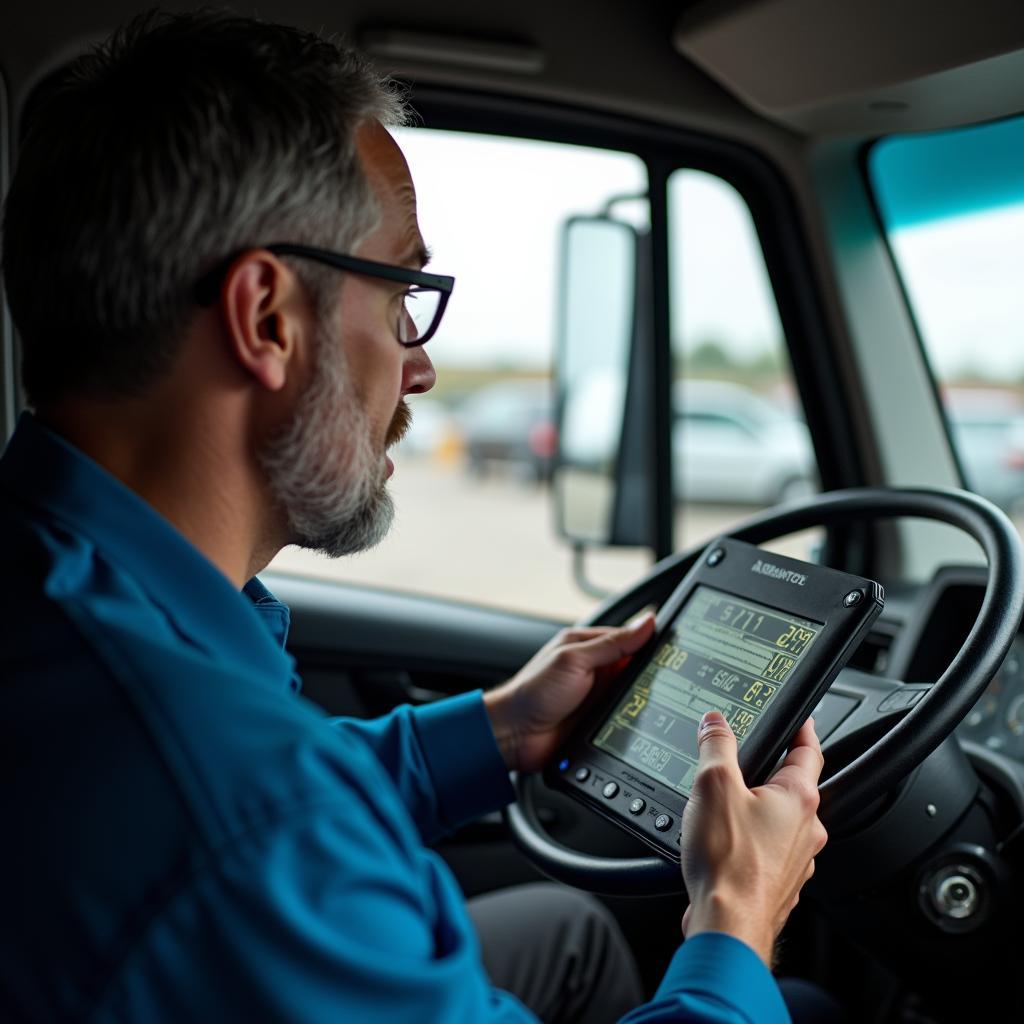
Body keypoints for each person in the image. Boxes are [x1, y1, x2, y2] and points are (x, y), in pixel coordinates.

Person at [0, 10, 828, 1022]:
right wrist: (735, 919)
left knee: (560, 931)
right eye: (403, 297)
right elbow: (245, 823)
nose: (422, 367)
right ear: (268, 318)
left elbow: (240, 808)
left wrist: (492, 730)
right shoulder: (242, 818)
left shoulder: (61, 591)